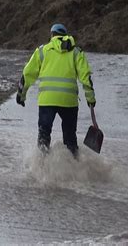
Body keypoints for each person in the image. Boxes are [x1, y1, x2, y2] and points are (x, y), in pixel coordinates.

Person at [16, 23, 96, 158]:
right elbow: (86, 79)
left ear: (52, 35)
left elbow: (27, 75)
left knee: (44, 134)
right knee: (70, 138)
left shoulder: (42, 51)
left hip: (47, 101)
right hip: (69, 102)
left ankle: (41, 166)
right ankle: (75, 168)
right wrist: (91, 99)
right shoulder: (77, 52)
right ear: (65, 35)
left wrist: (21, 95)